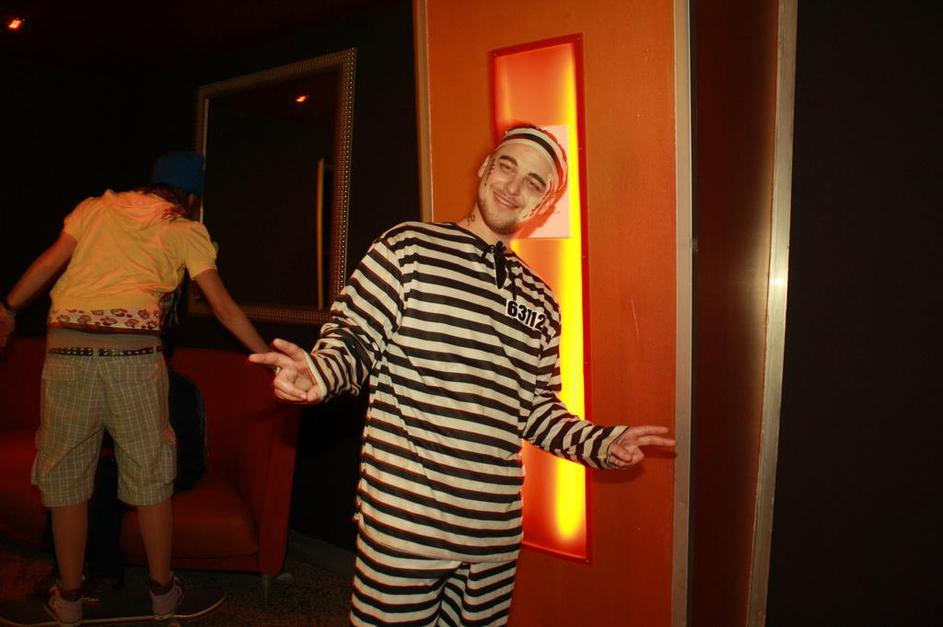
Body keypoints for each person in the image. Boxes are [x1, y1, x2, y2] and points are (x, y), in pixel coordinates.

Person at [249, 124, 676, 626]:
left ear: (542, 206)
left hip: (493, 539)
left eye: (534, 183)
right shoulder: (408, 247)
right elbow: (355, 340)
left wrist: (601, 443)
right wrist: (320, 373)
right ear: (485, 168)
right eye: (506, 166)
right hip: (406, 528)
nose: (513, 187)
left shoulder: (541, 301)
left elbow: (537, 410)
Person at [0, 151, 269, 625]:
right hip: (134, 359)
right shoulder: (184, 229)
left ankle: (68, 599)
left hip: (67, 354)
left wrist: (6, 309)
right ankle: (163, 595)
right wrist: (266, 356)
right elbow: (224, 309)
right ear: (190, 197)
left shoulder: (94, 209)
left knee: (66, 479)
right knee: (150, 475)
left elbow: (49, 263)